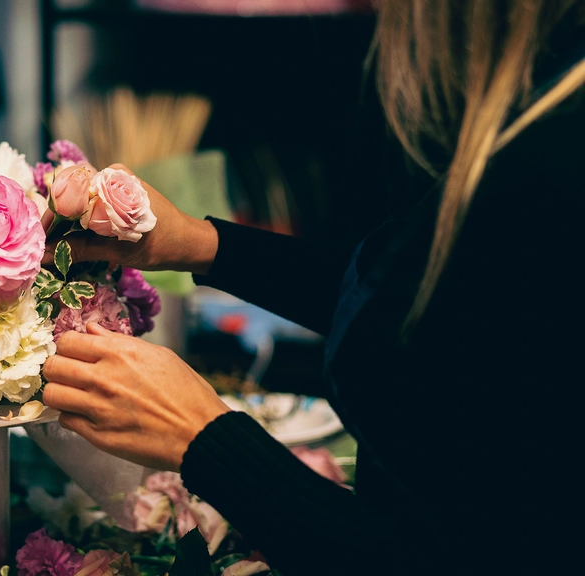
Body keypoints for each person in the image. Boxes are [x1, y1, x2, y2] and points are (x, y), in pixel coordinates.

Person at [40, 1, 585, 574]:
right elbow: (431, 309)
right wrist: (203, 245)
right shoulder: (537, 117)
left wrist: (204, 438)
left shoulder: (555, 167)